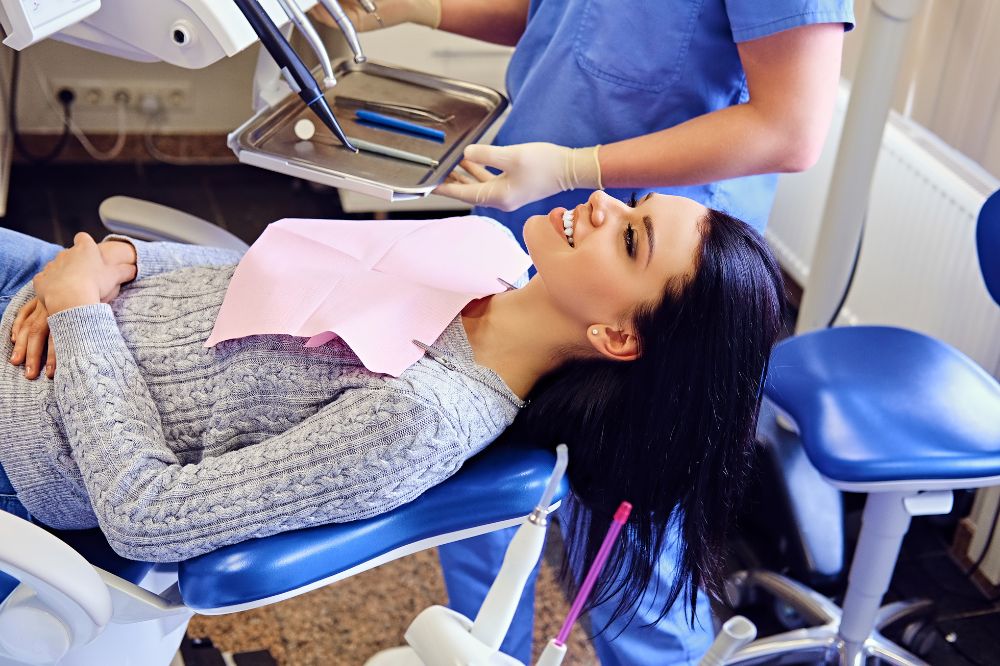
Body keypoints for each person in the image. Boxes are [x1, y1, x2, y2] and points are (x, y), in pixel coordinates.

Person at [312, 1, 853, 662]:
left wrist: (579, 170)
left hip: (652, 288)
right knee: (480, 499)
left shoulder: (627, 244)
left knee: (631, 562)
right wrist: (417, 8)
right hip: (530, 230)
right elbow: (573, 20)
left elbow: (790, 128)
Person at [0, 191, 784, 646]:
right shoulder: (489, 255)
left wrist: (79, 315)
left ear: (618, 337)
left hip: (25, 415)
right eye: (636, 202)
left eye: (632, 238)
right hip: (55, 285)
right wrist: (123, 261)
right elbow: (265, 271)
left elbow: (148, 515)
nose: (605, 204)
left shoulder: (424, 417)